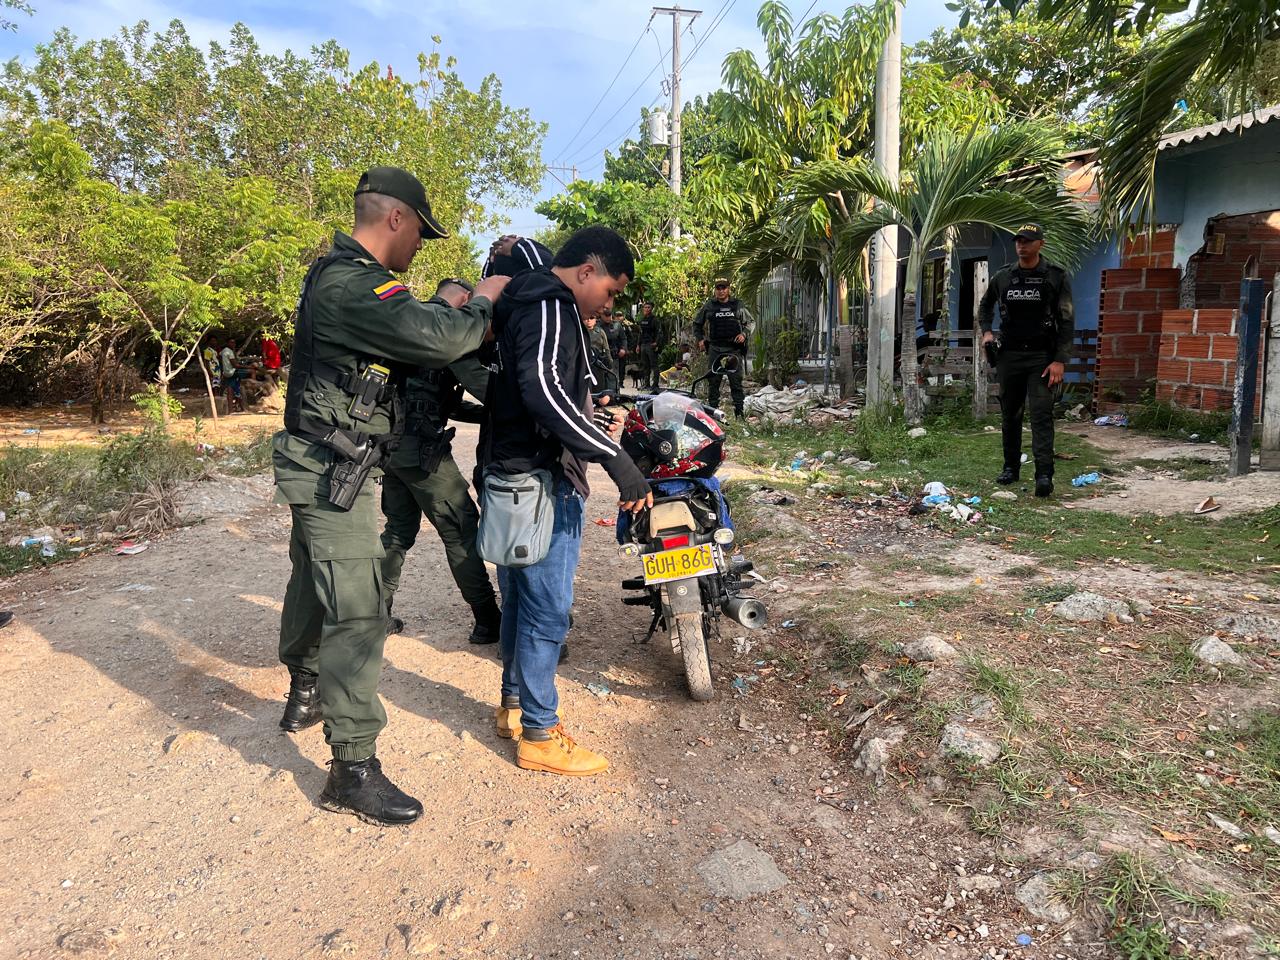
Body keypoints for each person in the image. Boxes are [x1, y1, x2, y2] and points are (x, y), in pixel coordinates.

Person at [272, 165, 508, 825]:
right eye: (419, 236)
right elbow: (438, 339)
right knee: (359, 607)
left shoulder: (336, 276)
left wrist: (449, 304)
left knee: (311, 583)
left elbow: (414, 342)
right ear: (395, 219)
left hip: (325, 462)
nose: (419, 250)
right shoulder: (355, 282)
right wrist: (484, 300)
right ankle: (352, 767)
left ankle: (304, 689)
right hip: (329, 468)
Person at [481, 225, 652, 776]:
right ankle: (540, 732)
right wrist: (617, 460)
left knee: (522, 599)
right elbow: (544, 392)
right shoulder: (553, 304)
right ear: (586, 271)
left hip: (511, 474)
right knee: (548, 610)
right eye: (610, 290)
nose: (608, 304)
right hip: (540, 480)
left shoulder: (528, 296)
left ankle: (514, 706)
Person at [378, 276, 501, 646]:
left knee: (397, 533)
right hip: (423, 454)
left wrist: (487, 416)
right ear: (465, 300)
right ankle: (487, 620)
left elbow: (442, 402)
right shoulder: (448, 330)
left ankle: (374, 615)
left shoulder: (408, 321)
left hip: (389, 449)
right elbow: (485, 387)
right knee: (460, 530)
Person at [979, 223, 1074, 498]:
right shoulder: (1004, 277)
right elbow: (985, 306)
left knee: (1042, 415)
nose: (1022, 245)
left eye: (1028, 241)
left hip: (1042, 357)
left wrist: (1060, 360)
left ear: (1040, 244)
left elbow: (1067, 320)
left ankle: (1044, 475)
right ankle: (1010, 468)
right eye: (1018, 241)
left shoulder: (1055, 277)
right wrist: (987, 332)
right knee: (1011, 414)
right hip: (1009, 355)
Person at [693, 277, 754, 417]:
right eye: (718, 288)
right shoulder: (709, 305)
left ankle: (739, 414)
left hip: (733, 349)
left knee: (736, 382)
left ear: (728, 289)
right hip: (715, 348)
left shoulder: (738, 305)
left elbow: (750, 322)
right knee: (713, 382)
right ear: (715, 290)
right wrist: (700, 339)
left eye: (724, 288)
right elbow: (697, 324)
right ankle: (712, 414)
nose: (721, 291)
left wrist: (744, 334)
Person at [635, 301, 662, 392]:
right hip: (643, 345)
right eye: (645, 307)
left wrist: (656, 343)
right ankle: (646, 384)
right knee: (645, 366)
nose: (646, 309)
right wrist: (638, 345)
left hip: (651, 345)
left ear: (652, 309)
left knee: (654, 366)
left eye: (648, 307)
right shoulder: (642, 320)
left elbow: (659, 332)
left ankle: (655, 384)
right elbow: (640, 334)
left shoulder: (655, 320)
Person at [221, 338, 245, 412]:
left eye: (234, 343)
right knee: (249, 372)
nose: (233, 344)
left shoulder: (224, 351)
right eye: (231, 342)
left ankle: (231, 410)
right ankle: (242, 407)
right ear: (227, 343)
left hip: (226, 372)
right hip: (232, 372)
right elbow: (235, 365)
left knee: (230, 389)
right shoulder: (229, 352)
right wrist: (249, 367)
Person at [610, 309, 630, 386]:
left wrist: (627, 349)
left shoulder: (626, 326)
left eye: (620, 316)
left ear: (623, 317)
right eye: (617, 316)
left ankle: (621, 382)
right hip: (614, 348)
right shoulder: (611, 325)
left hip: (622, 349)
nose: (618, 318)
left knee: (622, 367)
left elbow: (629, 338)